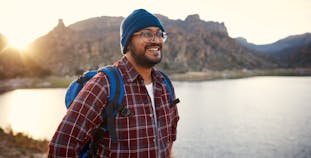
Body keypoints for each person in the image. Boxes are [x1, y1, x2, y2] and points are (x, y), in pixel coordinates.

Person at [48, 9, 179, 158]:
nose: (156, 40)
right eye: (147, 34)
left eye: (160, 34)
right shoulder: (104, 84)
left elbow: (169, 137)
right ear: (128, 41)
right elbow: (61, 146)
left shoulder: (165, 84)